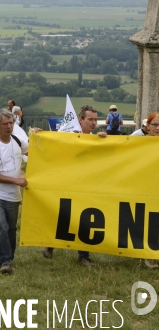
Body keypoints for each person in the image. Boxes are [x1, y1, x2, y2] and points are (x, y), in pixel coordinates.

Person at [41, 105, 107, 267]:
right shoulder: (68, 137)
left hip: (86, 186)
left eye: (95, 119)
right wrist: (38, 133)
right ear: (80, 120)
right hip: (66, 185)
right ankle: (50, 244)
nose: (93, 123)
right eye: (90, 119)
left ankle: (83, 256)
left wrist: (102, 141)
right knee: (63, 216)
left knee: (85, 220)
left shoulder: (95, 138)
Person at [0, 109, 28, 274]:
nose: (9, 127)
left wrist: (39, 136)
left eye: (11, 123)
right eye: (5, 124)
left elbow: (37, 151)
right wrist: (16, 180)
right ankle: (5, 261)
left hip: (12, 195)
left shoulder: (18, 141)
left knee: (11, 228)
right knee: (0, 224)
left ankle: (9, 257)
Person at [134, 112, 159, 269]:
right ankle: (148, 256)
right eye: (155, 124)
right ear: (147, 126)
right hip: (145, 187)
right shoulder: (138, 142)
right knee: (147, 221)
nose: (158, 128)